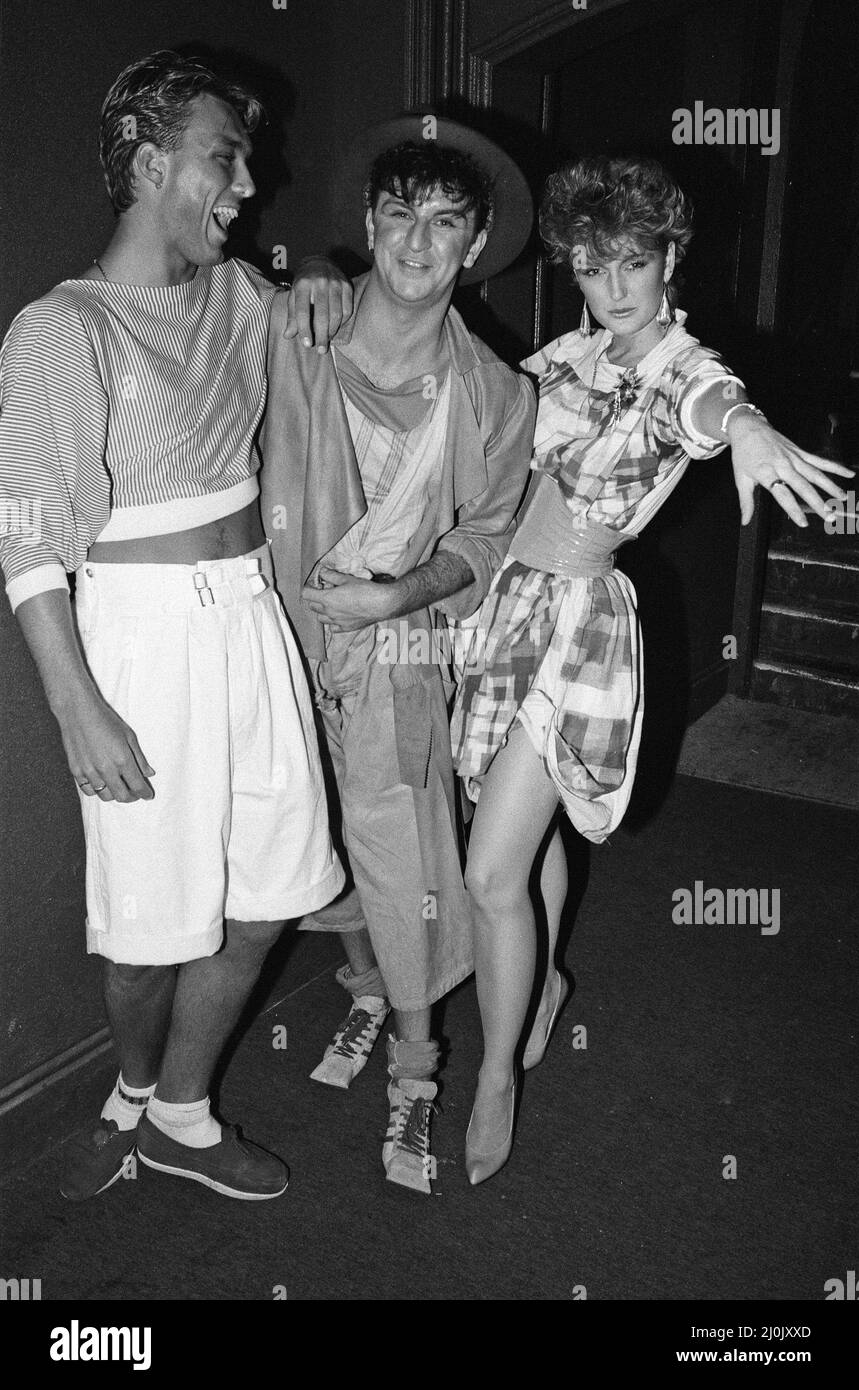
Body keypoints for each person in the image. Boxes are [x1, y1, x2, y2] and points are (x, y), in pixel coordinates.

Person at [451, 156, 852, 1185]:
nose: (614, 283)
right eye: (592, 263)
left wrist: (750, 428)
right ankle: (539, 987)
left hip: (580, 628)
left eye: (632, 260)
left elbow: (710, 402)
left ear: (670, 258)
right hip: (507, 608)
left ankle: (496, 1072)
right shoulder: (568, 351)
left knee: (489, 872)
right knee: (518, 831)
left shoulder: (679, 362)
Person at [0, 51, 355, 1202]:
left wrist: (329, 285)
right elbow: (25, 532)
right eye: (225, 157)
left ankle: (183, 1116)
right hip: (141, 641)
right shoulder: (61, 328)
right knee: (151, 933)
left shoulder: (242, 293)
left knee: (267, 897)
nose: (250, 181)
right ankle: (137, 1089)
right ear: (152, 165)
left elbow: (324, 324)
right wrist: (76, 706)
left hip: (250, 615)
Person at [260, 116, 536, 1193]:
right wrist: (311, 272)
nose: (419, 242)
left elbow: (486, 534)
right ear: (370, 224)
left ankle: (416, 1084)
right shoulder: (295, 328)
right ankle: (367, 988)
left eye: (446, 223)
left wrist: (402, 590)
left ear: (474, 248)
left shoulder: (498, 394)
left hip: (405, 654)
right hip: (278, 636)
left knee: (408, 860)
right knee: (311, 838)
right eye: (399, 214)